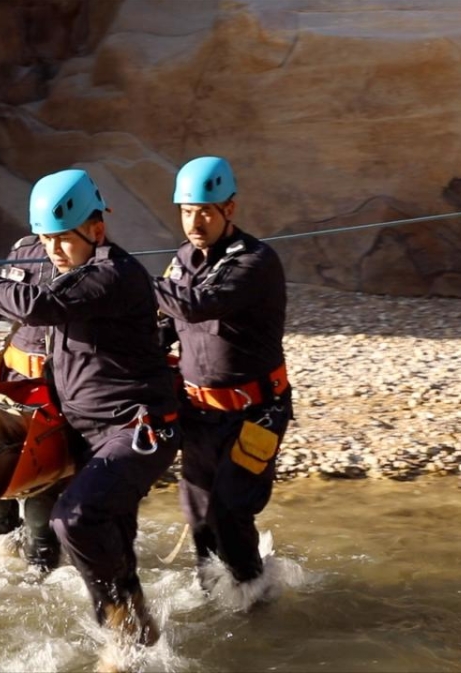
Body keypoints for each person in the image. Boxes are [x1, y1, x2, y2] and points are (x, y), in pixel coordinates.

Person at [0, 169, 182, 654]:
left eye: (63, 239)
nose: (53, 251)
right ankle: (135, 641)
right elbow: (19, 305)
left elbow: (36, 305)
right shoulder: (76, 272)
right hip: (85, 432)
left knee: (75, 519)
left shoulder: (113, 274)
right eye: (46, 240)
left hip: (135, 429)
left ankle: (123, 628)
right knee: (115, 546)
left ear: (96, 229)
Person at [151, 156, 292, 597]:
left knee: (229, 514)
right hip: (198, 413)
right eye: (187, 212)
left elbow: (197, 306)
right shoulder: (182, 259)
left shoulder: (256, 262)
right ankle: (214, 601)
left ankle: (255, 598)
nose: (195, 222)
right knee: (200, 523)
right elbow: (167, 325)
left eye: (205, 212)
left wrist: (129, 279)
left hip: (255, 413)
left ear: (229, 209)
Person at [0, 235, 66, 577]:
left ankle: (43, 573)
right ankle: (4, 547)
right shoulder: (25, 250)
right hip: (12, 385)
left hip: (62, 394)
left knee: (43, 499)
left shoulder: (95, 257)